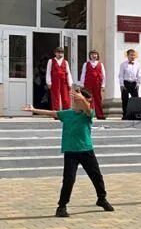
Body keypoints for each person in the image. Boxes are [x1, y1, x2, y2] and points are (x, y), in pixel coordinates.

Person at [23, 88, 114, 218]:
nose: (77, 101)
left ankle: (102, 199)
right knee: (68, 180)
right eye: (76, 99)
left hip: (86, 150)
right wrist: (33, 110)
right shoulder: (67, 114)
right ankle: (62, 206)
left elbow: (88, 110)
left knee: (96, 176)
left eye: (81, 99)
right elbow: (52, 113)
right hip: (71, 151)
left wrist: (82, 98)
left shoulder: (87, 115)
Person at [80, 50, 106, 120]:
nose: (94, 56)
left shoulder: (101, 64)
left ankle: (100, 114)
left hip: (97, 83)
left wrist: (103, 85)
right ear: (90, 56)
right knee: (88, 99)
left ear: (97, 56)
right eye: (92, 54)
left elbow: (103, 75)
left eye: (95, 54)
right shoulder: (86, 64)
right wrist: (82, 84)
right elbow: (83, 74)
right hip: (88, 83)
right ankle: (88, 114)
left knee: (98, 99)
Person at [45, 47, 73, 112]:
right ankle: (56, 113)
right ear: (55, 53)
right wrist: (49, 82)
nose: (60, 54)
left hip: (64, 81)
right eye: (58, 52)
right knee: (55, 97)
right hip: (55, 81)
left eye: (61, 53)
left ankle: (66, 112)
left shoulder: (65, 62)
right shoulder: (51, 61)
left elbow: (68, 72)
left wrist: (70, 83)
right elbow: (48, 72)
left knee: (65, 97)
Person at [118, 48, 141, 119]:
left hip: (134, 83)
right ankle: (125, 114)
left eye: (134, 55)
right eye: (131, 55)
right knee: (125, 99)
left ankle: (135, 114)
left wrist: (138, 84)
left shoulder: (138, 64)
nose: (132, 57)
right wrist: (121, 85)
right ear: (127, 56)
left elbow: (139, 75)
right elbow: (121, 75)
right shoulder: (123, 64)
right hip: (126, 83)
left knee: (135, 99)